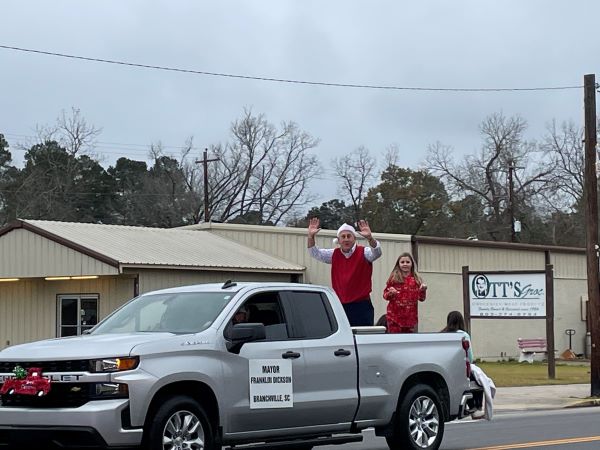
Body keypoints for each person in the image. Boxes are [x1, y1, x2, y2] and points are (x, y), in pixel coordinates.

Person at [307, 218, 382, 326]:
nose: (346, 239)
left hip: (361, 306)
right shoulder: (334, 254)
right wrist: (311, 236)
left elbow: (377, 252)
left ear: (354, 238)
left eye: (349, 236)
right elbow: (315, 253)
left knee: (363, 337)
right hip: (340, 305)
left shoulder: (364, 252)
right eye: (343, 236)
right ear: (339, 240)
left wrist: (370, 238)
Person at [442, 310, 496, 420]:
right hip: (461, 370)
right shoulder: (463, 335)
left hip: (446, 370)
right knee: (479, 380)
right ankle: (475, 408)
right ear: (461, 321)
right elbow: (470, 357)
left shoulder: (442, 334)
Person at [382, 252, 427, 333]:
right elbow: (385, 296)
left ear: (412, 264)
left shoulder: (416, 280)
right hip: (394, 318)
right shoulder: (394, 279)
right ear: (398, 264)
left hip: (410, 319)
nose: (405, 264)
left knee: (408, 341)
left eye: (407, 262)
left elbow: (421, 298)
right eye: (402, 262)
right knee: (395, 340)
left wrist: (423, 290)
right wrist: (391, 293)